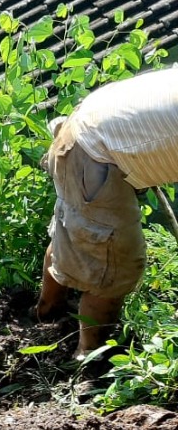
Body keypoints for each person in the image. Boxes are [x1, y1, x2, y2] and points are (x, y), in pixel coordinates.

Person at [35, 66, 178, 357]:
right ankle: (87, 359)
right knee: (114, 267)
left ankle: (45, 311)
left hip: (97, 125)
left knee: (78, 238)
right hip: (93, 151)